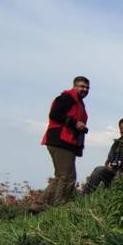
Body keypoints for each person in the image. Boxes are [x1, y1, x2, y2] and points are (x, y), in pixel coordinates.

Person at [41, 76, 89, 206]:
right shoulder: (66, 98)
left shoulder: (78, 102)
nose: (85, 89)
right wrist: (75, 123)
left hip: (64, 141)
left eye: (87, 87)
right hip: (61, 140)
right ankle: (60, 204)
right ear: (74, 86)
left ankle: (41, 205)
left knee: (60, 176)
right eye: (82, 86)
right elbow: (54, 114)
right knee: (68, 177)